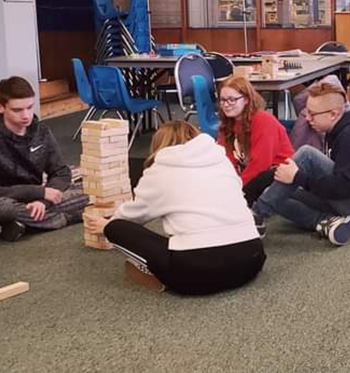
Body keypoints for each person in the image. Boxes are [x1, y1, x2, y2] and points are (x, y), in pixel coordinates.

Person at [85, 121, 266, 295]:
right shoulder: (222, 160)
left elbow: (134, 215)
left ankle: (153, 271)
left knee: (117, 228)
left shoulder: (160, 169)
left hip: (197, 274)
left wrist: (107, 225)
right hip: (252, 260)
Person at [251, 83, 350, 246]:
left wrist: (298, 178)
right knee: (275, 194)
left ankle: (256, 215)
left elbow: (345, 186)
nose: (307, 118)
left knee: (307, 154)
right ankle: (327, 222)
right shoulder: (337, 131)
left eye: (312, 114)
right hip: (348, 199)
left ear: (333, 114)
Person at [0, 77, 89, 242]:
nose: (26, 115)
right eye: (17, 110)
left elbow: (61, 172)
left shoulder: (42, 132)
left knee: (91, 192)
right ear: (0, 107)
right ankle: (69, 218)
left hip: (37, 199)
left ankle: (19, 224)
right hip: (3, 199)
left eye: (29, 107)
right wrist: (40, 192)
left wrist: (43, 201)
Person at [217, 75, 294, 207]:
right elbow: (226, 159)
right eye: (223, 100)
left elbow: (260, 164)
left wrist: (237, 189)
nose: (226, 105)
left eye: (232, 100)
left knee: (259, 180)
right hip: (249, 172)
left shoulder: (263, 120)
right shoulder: (227, 124)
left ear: (246, 99)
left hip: (277, 172)